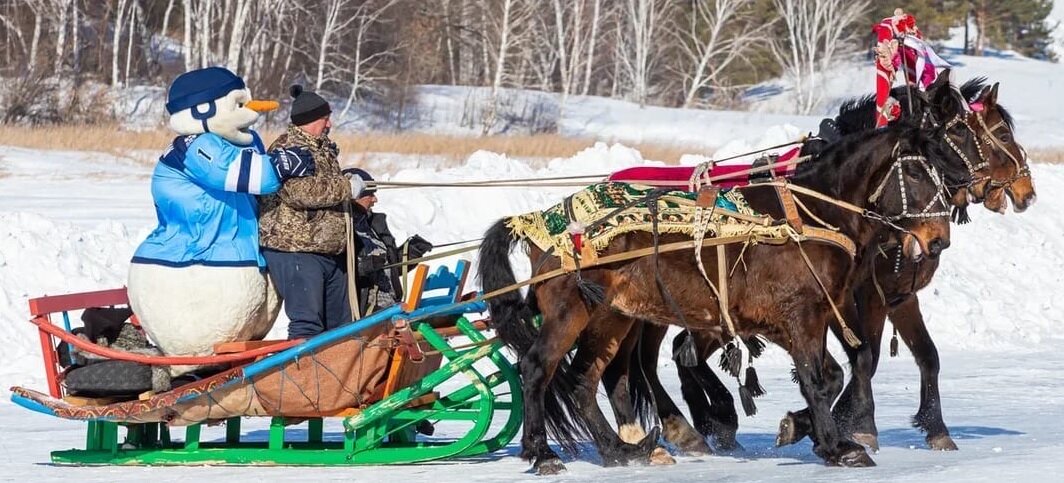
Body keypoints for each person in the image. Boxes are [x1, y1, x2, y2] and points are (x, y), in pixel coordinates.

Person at [127, 67, 315, 368]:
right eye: (238, 105)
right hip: (189, 267)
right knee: (198, 341)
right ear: (202, 109)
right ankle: (187, 365)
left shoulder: (241, 141)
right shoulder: (196, 146)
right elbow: (252, 176)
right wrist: (281, 165)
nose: (250, 113)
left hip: (236, 261)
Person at [259, 85, 359, 339]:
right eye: (326, 118)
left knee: (341, 327)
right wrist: (346, 187)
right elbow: (299, 192)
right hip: (296, 248)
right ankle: (301, 376)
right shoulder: (288, 149)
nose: (329, 124)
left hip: (328, 249)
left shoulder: (322, 149)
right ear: (310, 119)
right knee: (308, 323)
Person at [343, 168, 433, 316]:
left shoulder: (373, 225)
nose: (374, 199)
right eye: (369, 195)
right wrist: (365, 267)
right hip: (365, 313)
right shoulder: (341, 230)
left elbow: (390, 268)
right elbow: (338, 273)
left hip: (392, 308)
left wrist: (411, 252)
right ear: (354, 196)